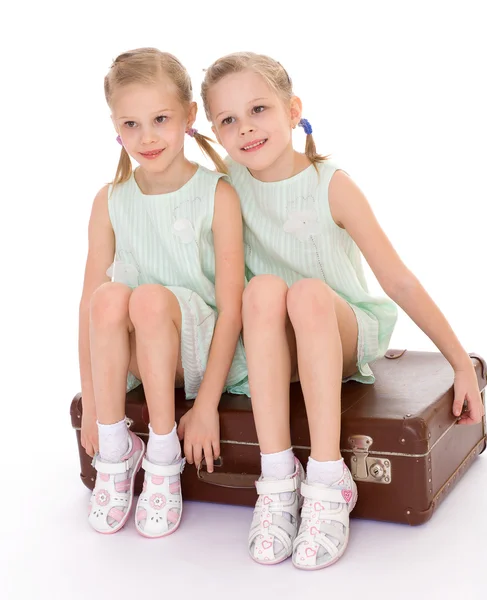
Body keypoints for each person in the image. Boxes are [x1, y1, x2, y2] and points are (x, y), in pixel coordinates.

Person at [200, 51, 484, 569]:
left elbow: (397, 278)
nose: (245, 128)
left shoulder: (331, 184)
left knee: (306, 292)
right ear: (215, 132)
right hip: (272, 344)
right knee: (261, 290)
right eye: (228, 120)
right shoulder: (225, 191)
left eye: (258, 109)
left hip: (340, 330)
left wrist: (460, 363)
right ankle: (279, 481)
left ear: (293, 110)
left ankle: (330, 481)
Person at [79, 48, 247, 538]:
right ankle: (117, 450)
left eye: (160, 119)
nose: (146, 137)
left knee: (148, 298)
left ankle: (163, 452)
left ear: (189, 117)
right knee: (109, 298)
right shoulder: (110, 200)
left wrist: (208, 404)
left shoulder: (217, 194)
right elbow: (88, 310)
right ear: (115, 125)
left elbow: (233, 305)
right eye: (131, 124)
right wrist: (92, 404)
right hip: (136, 352)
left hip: (196, 352)